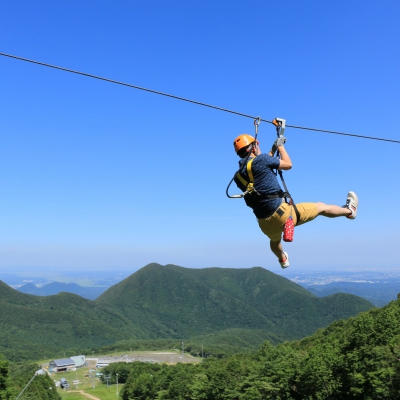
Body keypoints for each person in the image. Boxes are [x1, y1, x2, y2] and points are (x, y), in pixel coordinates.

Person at [233, 134, 358, 269]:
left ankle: (283, 259)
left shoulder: (238, 176)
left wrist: (273, 149)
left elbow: (259, 169)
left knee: (274, 241)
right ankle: (350, 211)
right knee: (321, 207)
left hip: (264, 222)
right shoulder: (262, 160)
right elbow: (287, 164)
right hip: (283, 214)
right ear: (254, 146)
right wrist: (280, 145)